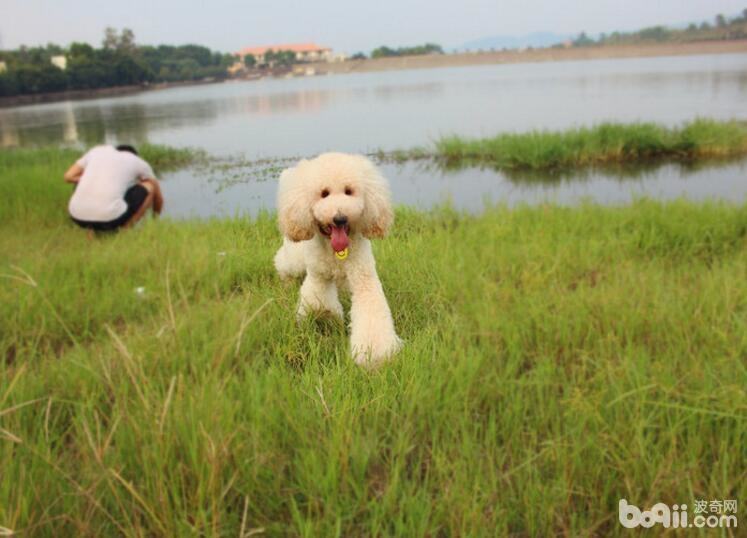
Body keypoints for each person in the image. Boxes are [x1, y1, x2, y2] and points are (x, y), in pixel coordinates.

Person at [64, 144, 164, 234]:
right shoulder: (138, 162)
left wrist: (87, 178)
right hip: (110, 219)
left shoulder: (97, 151)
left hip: (76, 217)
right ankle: (125, 231)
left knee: (84, 181)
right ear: (134, 155)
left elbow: (68, 176)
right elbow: (158, 198)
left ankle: (91, 233)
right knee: (150, 185)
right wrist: (155, 221)